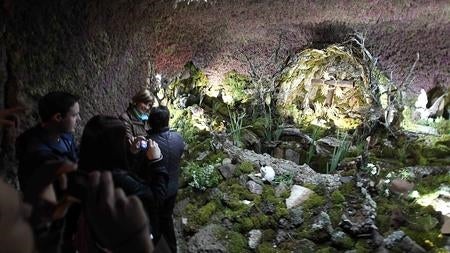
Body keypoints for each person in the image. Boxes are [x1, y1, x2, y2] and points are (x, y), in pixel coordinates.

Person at [78, 115, 168, 245]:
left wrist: (132, 153)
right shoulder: (120, 180)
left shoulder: (89, 167)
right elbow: (156, 198)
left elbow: (120, 167)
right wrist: (157, 161)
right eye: (124, 138)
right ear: (114, 146)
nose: (128, 139)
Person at [15, 91, 81, 253]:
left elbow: (75, 157)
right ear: (58, 117)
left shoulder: (65, 136)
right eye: (74, 115)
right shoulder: (35, 150)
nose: (78, 119)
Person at [146, 106, 185, 253]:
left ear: (150, 122)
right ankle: (172, 248)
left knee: (154, 220)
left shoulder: (149, 143)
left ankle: (154, 246)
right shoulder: (178, 138)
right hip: (173, 187)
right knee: (167, 218)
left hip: (155, 189)